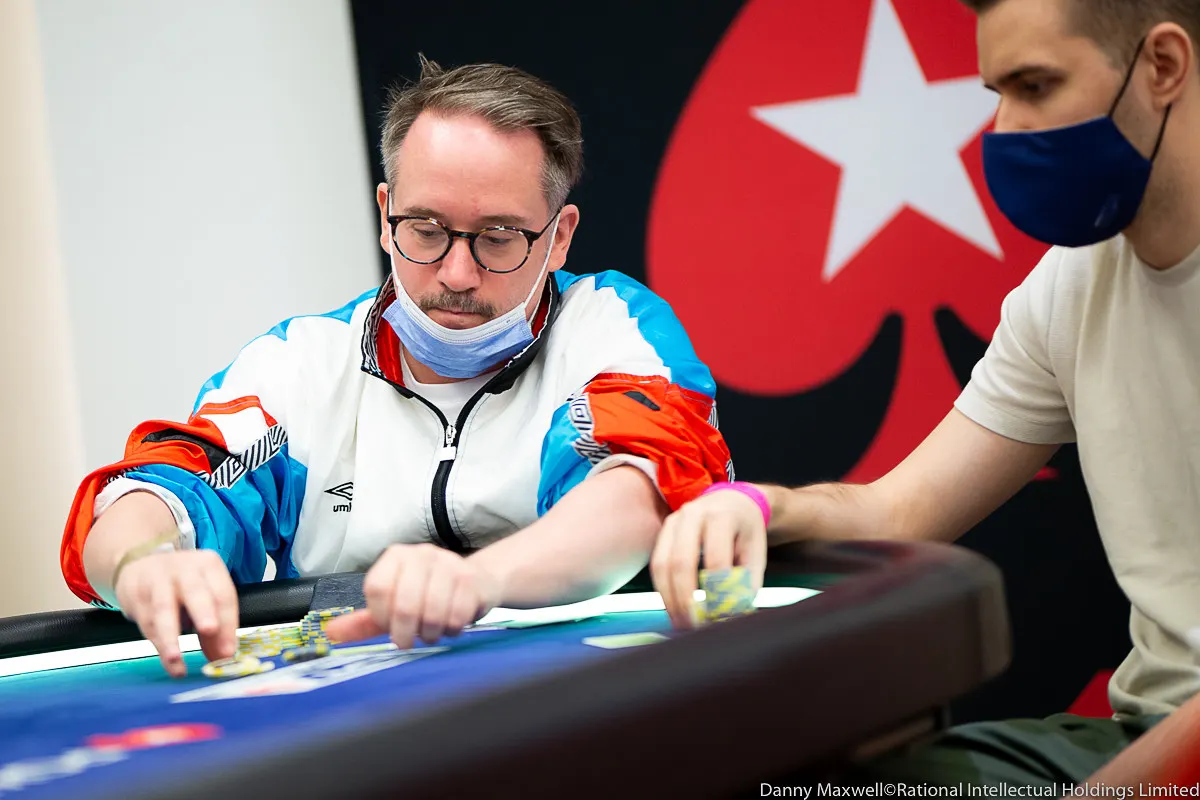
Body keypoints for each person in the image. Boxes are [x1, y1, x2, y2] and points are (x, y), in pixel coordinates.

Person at [652, 0, 1200, 786]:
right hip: (1136, 734)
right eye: (998, 94)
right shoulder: (1070, 287)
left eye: (1036, 86)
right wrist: (761, 507)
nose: (1004, 129)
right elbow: (902, 510)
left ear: (1164, 66)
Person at [62, 56, 732, 678]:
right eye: (427, 230)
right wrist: (140, 561)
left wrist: (476, 581)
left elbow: (642, 489)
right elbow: (166, 486)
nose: (457, 273)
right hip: (352, 704)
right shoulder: (302, 363)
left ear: (559, 237)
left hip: (583, 683)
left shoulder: (609, 324)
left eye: (499, 237)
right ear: (386, 217)